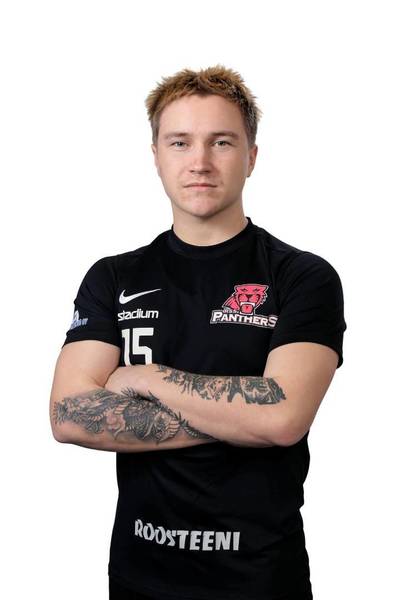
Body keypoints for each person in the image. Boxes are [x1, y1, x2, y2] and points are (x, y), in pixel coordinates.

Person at [50, 64, 347, 600]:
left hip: (259, 579)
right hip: (140, 576)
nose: (200, 162)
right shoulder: (113, 277)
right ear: (157, 156)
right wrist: (244, 415)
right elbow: (69, 415)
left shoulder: (302, 277)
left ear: (251, 156)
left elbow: (283, 419)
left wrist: (146, 378)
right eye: (180, 142)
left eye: (222, 142)